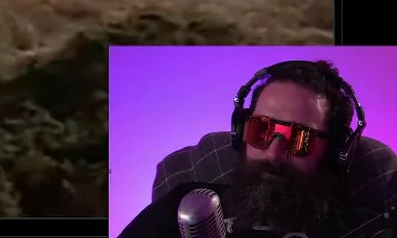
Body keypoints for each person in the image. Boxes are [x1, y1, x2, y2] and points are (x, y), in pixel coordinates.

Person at [117, 60, 392, 238]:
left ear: (335, 153)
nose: (273, 154)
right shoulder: (184, 207)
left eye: (299, 139)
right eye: (261, 130)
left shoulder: (369, 230)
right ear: (241, 132)